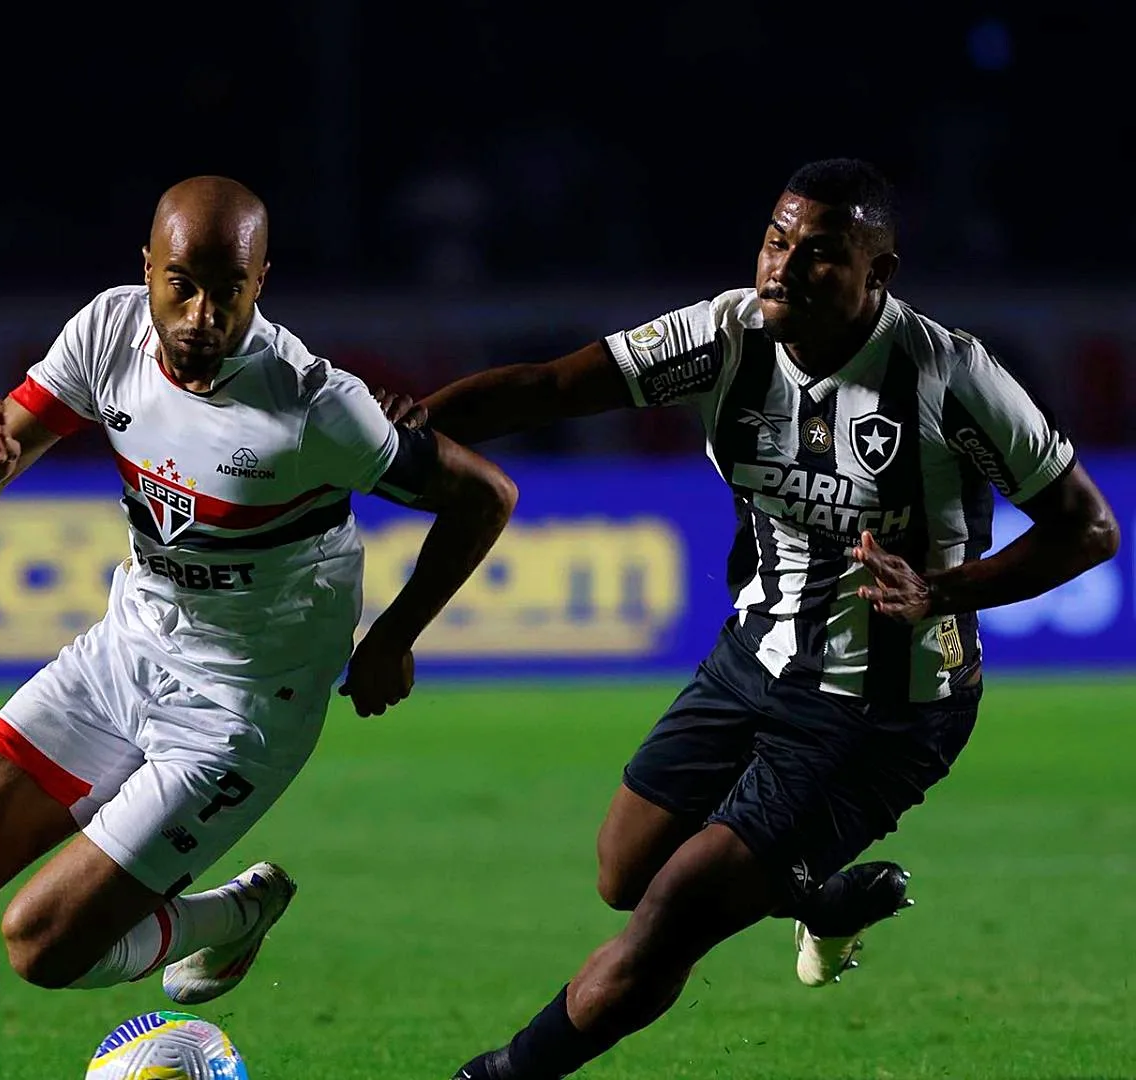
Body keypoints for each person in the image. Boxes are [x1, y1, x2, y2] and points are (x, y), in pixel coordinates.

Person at [377, 158, 1121, 1079]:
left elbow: (1089, 528)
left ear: (877, 274)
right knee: (623, 872)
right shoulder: (727, 335)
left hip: (883, 708)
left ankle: (496, 1075)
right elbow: (553, 386)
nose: (783, 266)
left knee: (672, 918)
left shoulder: (947, 374)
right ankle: (815, 893)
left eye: (819, 253)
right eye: (776, 240)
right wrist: (407, 433)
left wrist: (942, 591)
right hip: (754, 656)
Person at [0, 176, 519, 1080]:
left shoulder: (313, 405)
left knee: (41, 945)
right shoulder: (107, 334)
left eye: (228, 289)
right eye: (181, 285)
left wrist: (393, 638)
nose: (202, 314)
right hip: (127, 650)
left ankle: (227, 916)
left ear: (260, 281)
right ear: (146, 269)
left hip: (240, 712)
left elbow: (485, 495)